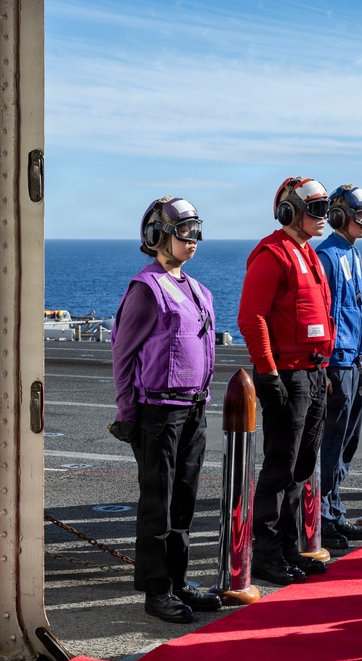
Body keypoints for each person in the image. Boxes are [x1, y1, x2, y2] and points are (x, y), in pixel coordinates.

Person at [107, 197, 222, 624]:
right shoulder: (146, 289)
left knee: (184, 502)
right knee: (158, 505)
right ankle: (157, 592)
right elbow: (122, 354)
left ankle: (177, 581)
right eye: (184, 233)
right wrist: (127, 412)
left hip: (193, 409)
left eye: (196, 232)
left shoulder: (197, 289)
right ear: (158, 236)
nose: (193, 240)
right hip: (157, 412)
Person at [237, 177, 335, 585]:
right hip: (287, 374)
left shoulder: (307, 253)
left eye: (325, 209)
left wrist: (322, 370)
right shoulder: (272, 255)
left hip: (312, 372)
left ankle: (288, 549)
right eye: (316, 210)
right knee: (280, 467)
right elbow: (252, 318)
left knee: (301, 468)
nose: (324, 217)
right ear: (289, 212)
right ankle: (266, 554)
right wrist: (268, 371)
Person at [315, 184, 362, 550]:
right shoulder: (327, 256)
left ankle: (334, 511)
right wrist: (324, 364)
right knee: (331, 443)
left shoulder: (351, 252)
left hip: (353, 359)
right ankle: (322, 517)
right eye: (361, 217)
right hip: (337, 362)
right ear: (339, 216)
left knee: (347, 443)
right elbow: (324, 312)